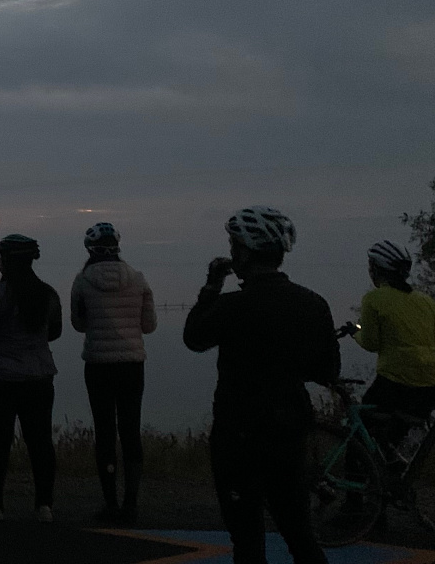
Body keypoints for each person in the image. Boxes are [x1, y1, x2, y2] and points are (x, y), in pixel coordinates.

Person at [184, 206, 338, 564]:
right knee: (299, 531)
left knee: (247, 540)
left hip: (238, 432)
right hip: (290, 427)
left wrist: (211, 286)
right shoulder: (314, 304)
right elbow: (328, 369)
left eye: (234, 246)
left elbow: (194, 338)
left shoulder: (232, 305)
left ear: (246, 252)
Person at [0, 234, 62, 523]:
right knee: (41, 441)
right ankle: (44, 505)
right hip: (39, 376)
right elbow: (55, 332)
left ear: (5, 261)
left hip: (1, 378)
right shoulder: (48, 294)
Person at [69, 222, 156, 524]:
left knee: (105, 432)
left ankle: (110, 503)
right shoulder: (139, 280)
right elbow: (149, 326)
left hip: (98, 364)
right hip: (133, 364)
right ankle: (131, 504)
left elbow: (79, 324)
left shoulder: (81, 282)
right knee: (131, 431)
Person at [350, 241, 435, 457]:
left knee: (358, 436)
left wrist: (354, 333)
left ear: (377, 270)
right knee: (392, 438)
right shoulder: (425, 301)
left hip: (394, 384)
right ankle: (392, 479)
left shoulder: (374, 299)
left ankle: (355, 488)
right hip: (428, 386)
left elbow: (371, 343)